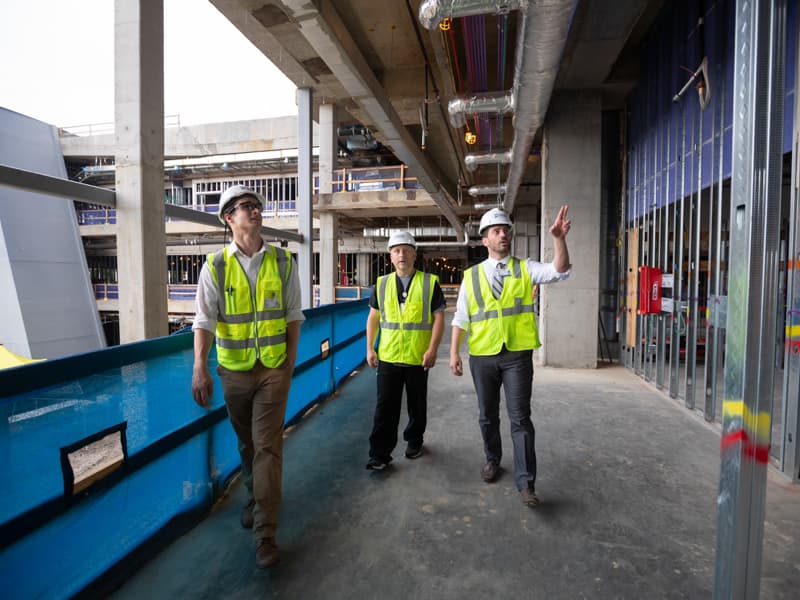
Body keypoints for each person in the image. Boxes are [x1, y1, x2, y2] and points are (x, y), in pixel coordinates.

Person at [191, 185, 304, 568]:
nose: (255, 211)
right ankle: (255, 498)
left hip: (273, 370)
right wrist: (199, 367)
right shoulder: (215, 266)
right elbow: (204, 320)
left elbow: (293, 317)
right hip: (234, 373)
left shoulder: (284, 262)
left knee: (268, 447)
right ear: (229, 218)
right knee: (248, 446)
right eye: (245, 207)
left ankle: (265, 533)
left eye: (257, 206)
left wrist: (287, 367)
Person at [449, 206, 571, 506]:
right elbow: (461, 317)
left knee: (520, 418)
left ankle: (526, 483)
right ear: (485, 240)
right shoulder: (472, 276)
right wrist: (453, 352)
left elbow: (559, 271)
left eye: (506, 230)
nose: (503, 234)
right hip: (482, 355)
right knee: (487, 416)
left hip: (516, 354)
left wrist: (558, 239)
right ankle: (493, 459)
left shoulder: (525, 268)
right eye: (496, 231)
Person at [365, 231, 446, 470]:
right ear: (390, 256)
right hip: (388, 356)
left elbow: (439, 318)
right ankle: (379, 454)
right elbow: (373, 317)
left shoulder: (429, 283)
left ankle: (414, 441)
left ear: (414, 254)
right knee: (384, 407)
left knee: (416, 404)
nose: (401, 254)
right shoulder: (381, 284)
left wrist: (432, 349)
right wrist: (370, 347)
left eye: (406, 250)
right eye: (396, 250)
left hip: (418, 356)